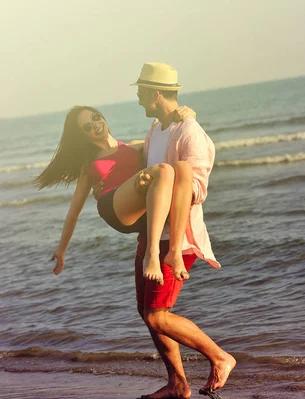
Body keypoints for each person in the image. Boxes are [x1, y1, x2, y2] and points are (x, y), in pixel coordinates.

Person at [127, 62, 236, 399]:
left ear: (156, 92)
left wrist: (170, 184)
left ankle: (221, 357)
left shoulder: (190, 132)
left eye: (141, 93)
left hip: (176, 240)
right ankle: (178, 384)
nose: (139, 100)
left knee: (158, 316)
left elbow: (197, 187)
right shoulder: (157, 129)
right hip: (150, 237)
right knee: (147, 314)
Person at [36, 105, 197, 285]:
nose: (95, 124)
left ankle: (174, 253)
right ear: (84, 136)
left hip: (143, 210)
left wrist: (189, 118)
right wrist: (61, 249)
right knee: (162, 169)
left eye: (95, 117)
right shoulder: (89, 163)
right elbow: (74, 212)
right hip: (113, 206)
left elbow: (173, 141)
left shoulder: (136, 146)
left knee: (181, 168)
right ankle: (151, 256)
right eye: (87, 126)